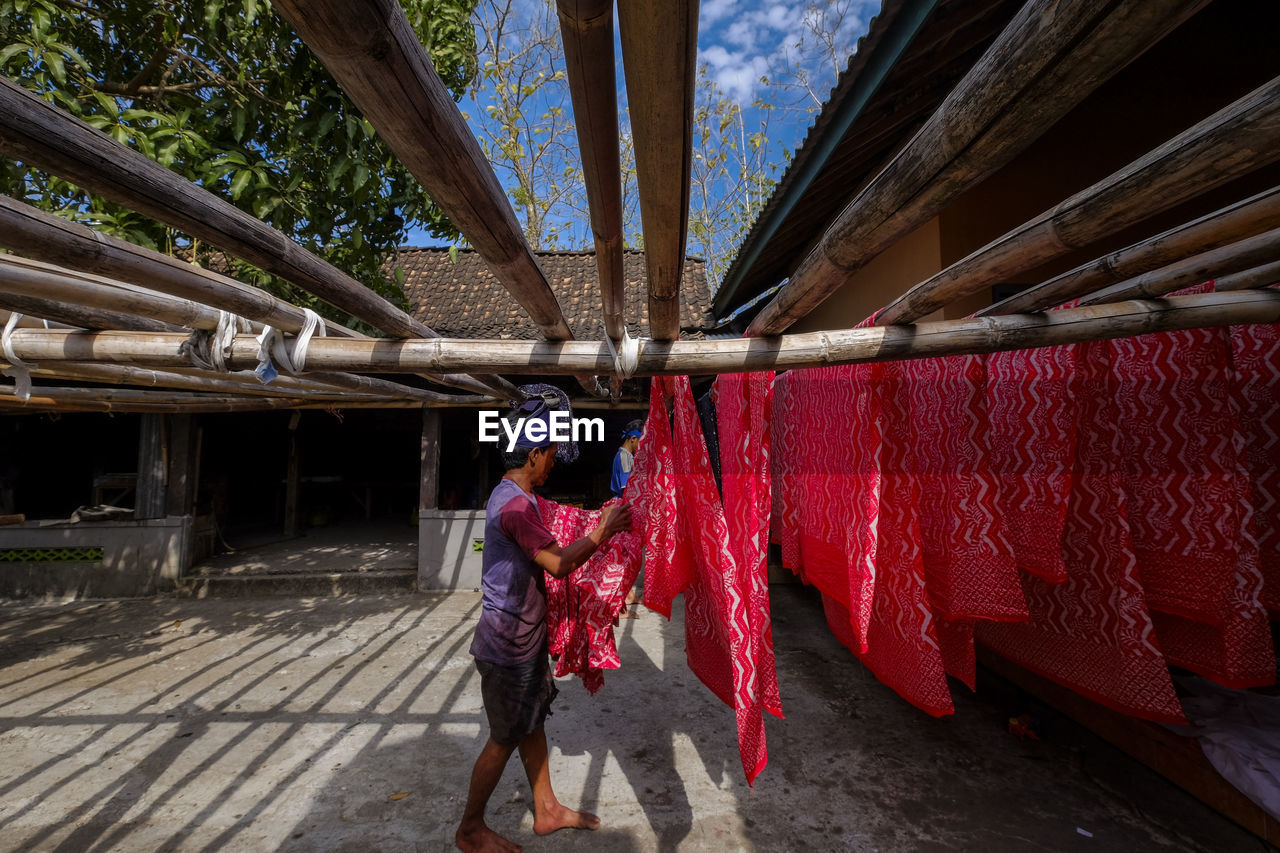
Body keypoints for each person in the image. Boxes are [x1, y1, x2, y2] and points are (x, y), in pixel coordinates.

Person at [456, 397, 632, 853]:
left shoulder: (518, 497)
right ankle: (470, 829)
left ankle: (547, 808)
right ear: (532, 453)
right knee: (503, 738)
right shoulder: (515, 508)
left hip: (524, 642)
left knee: (531, 722)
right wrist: (603, 531)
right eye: (551, 451)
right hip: (505, 647)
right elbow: (556, 563)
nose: (554, 460)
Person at [610, 420, 643, 499]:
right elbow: (627, 488)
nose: (642, 446)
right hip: (624, 503)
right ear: (633, 438)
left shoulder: (626, 456)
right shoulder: (624, 457)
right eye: (641, 442)